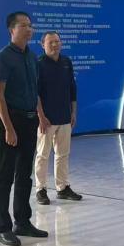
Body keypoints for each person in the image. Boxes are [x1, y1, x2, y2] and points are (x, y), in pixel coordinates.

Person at [0, 11, 48, 246]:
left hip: (29, 121)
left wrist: (41, 116)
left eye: (30, 25)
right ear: (11, 30)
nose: (29, 29)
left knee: (24, 174)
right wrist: (8, 127)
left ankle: (22, 222)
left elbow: (34, 91)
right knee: (5, 176)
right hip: (11, 121)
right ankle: (3, 227)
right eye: (23, 25)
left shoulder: (32, 57)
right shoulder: (3, 58)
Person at [35, 31, 83, 205]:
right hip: (46, 120)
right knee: (42, 155)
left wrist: (73, 112)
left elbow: (72, 88)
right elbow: (35, 93)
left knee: (63, 154)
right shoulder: (38, 64)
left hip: (64, 117)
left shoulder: (66, 62)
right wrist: (41, 116)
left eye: (57, 41)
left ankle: (62, 188)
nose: (55, 45)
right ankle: (40, 189)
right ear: (43, 45)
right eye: (51, 42)